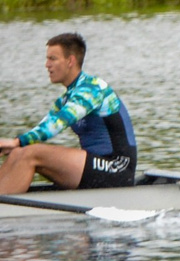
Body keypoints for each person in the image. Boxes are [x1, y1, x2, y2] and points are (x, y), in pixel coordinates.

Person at [3, 30, 137, 195]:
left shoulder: (92, 88)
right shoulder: (66, 99)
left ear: (70, 61)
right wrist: (12, 146)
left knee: (30, 153)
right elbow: (44, 127)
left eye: (52, 58)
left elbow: (59, 122)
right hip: (95, 166)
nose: (47, 65)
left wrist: (17, 141)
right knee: (18, 153)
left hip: (117, 168)